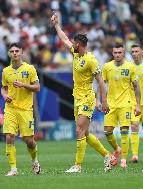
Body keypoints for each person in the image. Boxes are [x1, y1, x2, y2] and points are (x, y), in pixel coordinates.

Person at [51, 11, 113, 173]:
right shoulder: (76, 54)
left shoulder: (91, 60)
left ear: (79, 44)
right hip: (77, 97)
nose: (72, 43)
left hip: (87, 98)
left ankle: (78, 165)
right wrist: (56, 24)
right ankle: (107, 155)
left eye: (74, 42)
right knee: (84, 132)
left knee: (79, 130)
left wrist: (104, 101)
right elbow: (64, 39)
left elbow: (100, 80)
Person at [1, 43, 41, 176]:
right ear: (9, 53)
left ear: (21, 52)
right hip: (10, 108)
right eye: (12, 51)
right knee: (9, 137)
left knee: (29, 141)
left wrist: (23, 85)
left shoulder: (30, 69)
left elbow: (37, 87)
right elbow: (4, 87)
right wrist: (5, 95)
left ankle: (34, 160)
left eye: (17, 51)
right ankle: (13, 169)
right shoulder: (6, 71)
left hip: (25, 110)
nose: (14, 53)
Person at [99, 43, 141, 168]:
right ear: (112, 53)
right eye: (115, 53)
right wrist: (99, 101)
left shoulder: (130, 66)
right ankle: (117, 149)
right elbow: (102, 85)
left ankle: (123, 160)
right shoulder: (107, 66)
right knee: (107, 132)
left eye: (120, 52)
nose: (117, 55)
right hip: (110, 104)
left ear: (123, 53)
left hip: (125, 104)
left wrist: (137, 105)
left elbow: (136, 86)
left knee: (124, 131)